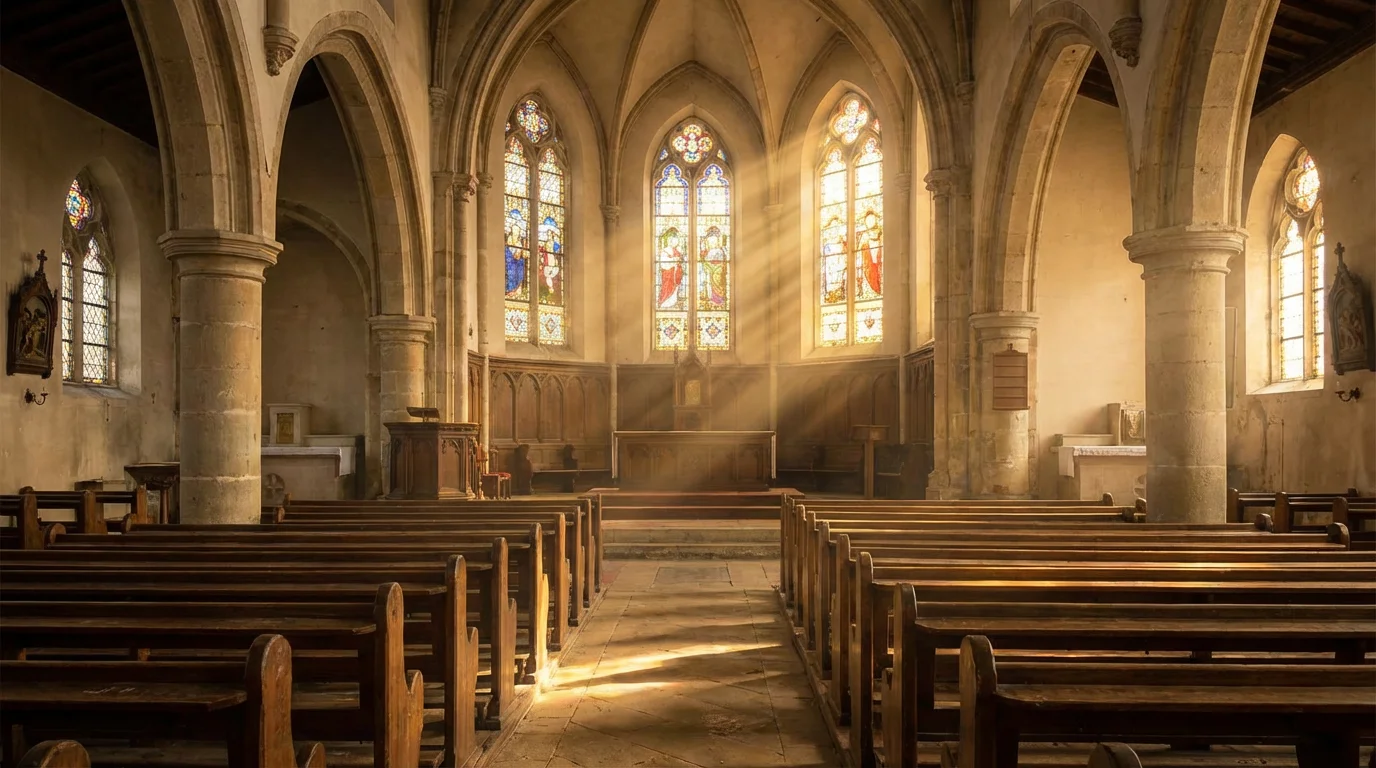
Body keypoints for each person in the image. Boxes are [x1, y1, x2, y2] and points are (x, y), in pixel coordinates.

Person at [858, 209, 883, 296]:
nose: (870, 221)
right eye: (868, 219)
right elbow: (857, 255)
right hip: (868, 266)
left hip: (879, 263)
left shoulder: (882, 235)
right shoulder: (864, 239)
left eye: (872, 219)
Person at [657, 230, 684, 308]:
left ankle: (673, 302)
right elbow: (663, 263)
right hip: (668, 273)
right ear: (670, 241)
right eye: (674, 242)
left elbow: (680, 259)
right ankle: (664, 303)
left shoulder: (676, 250)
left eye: (677, 242)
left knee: (675, 288)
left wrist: (678, 260)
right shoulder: (665, 251)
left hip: (676, 273)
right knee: (667, 287)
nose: (675, 244)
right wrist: (674, 260)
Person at [504, 208, 527, 297]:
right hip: (509, 261)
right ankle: (510, 290)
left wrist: (520, 250)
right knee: (510, 272)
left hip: (517, 262)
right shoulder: (509, 239)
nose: (516, 232)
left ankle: (517, 289)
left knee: (520, 267)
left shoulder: (519, 242)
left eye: (517, 231)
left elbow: (519, 255)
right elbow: (508, 250)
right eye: (514, 230)